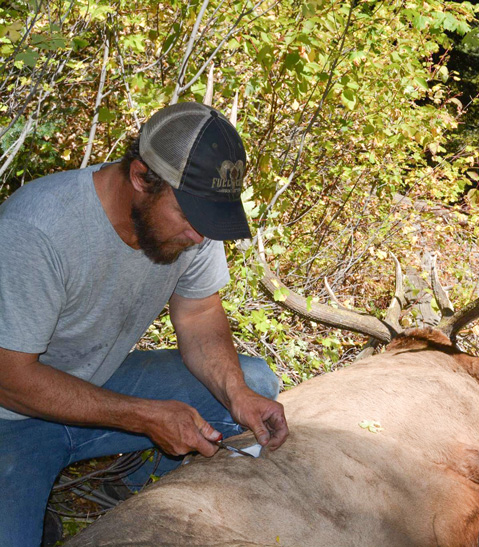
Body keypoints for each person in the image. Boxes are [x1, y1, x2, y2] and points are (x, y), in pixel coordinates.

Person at [0, 102, 289, 545]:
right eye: (192, 218)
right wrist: (142, 416)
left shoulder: (193, 226)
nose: (200, 236)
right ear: (140, 177)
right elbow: (10, 379)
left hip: (101, 378)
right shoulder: (36, 230)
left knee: (254, 382)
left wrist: (237, 395)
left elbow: (199, 313)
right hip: (12, 417)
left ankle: (130, 485)